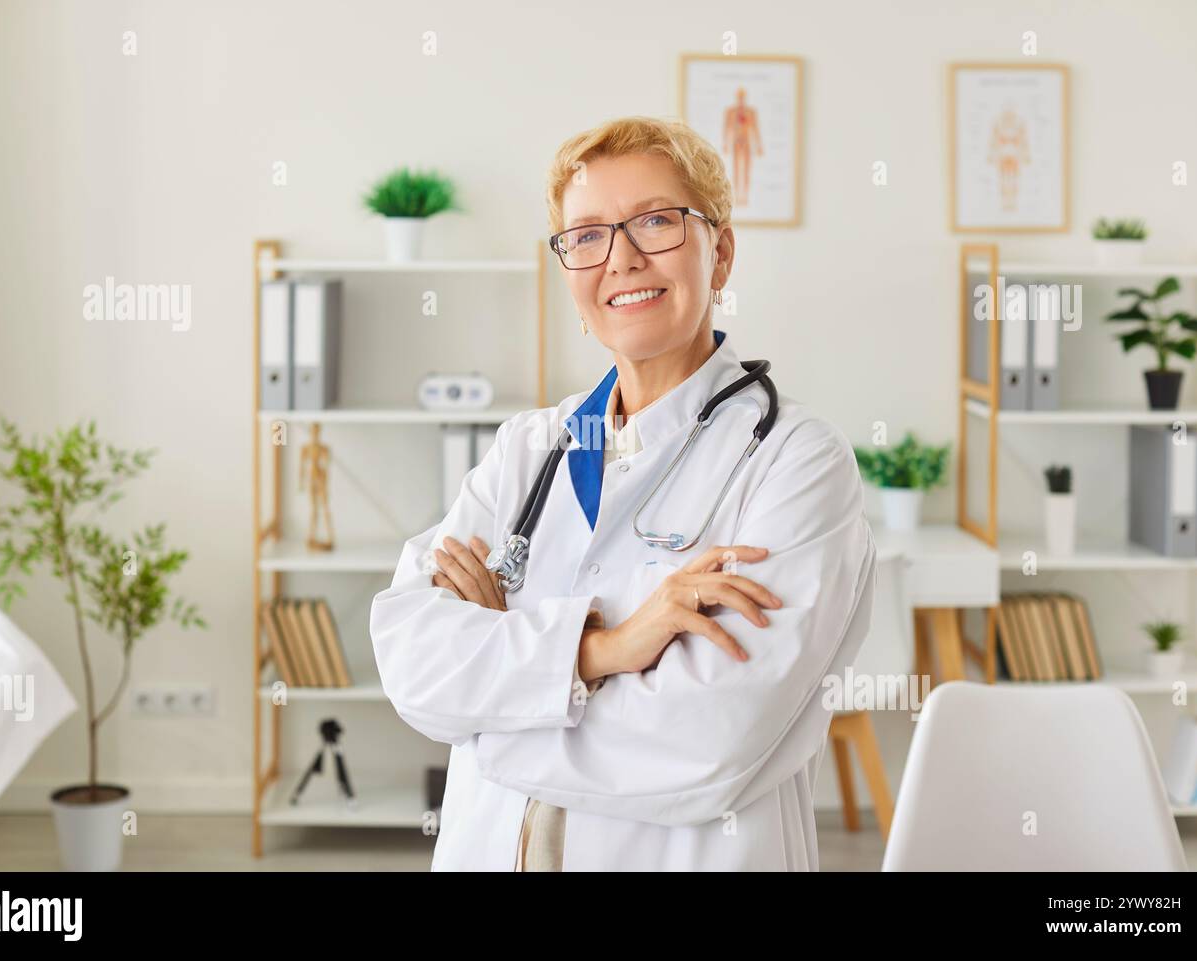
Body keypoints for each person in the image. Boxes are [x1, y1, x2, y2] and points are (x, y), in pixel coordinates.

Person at [370, 115, 877, 871]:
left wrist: (485, 716)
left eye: (656, 222)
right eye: (587, 235)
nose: (623, 258)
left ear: (722, 252)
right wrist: (602, 649)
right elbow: (413, 659)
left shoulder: (794, 462)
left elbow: (706, 743)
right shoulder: (526, 449)